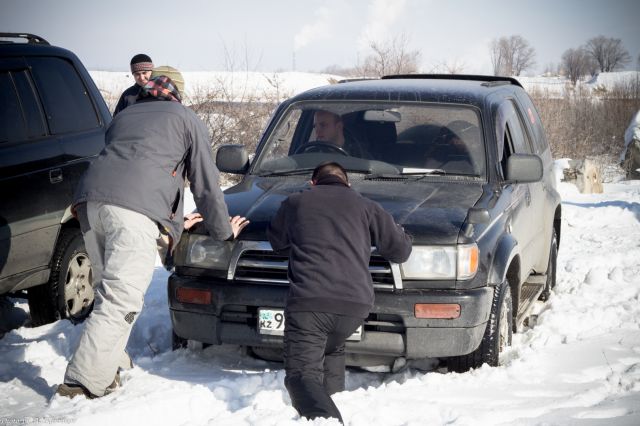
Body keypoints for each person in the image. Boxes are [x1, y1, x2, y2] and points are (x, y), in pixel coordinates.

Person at [55, 70, 249, 399]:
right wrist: (222, 232)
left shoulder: (124, 117)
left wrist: (168, 224)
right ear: (177, 95)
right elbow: (205, 183)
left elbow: (133, 167)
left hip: (89, 204)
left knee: (108, 293)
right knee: (122, 298)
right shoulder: (185, 118)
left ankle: (111, 367)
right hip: (132, 210)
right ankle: (81, 384)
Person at [267, 162, 412, 423]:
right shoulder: (366, 205)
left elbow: (278, 243)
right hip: (354, 309)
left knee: (302, 376)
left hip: (310, 305)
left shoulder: (297, 202)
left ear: (312, 183)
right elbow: (400, 251)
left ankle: (328, 421)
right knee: (331, 352)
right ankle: (337, 402)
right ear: (348, 183)